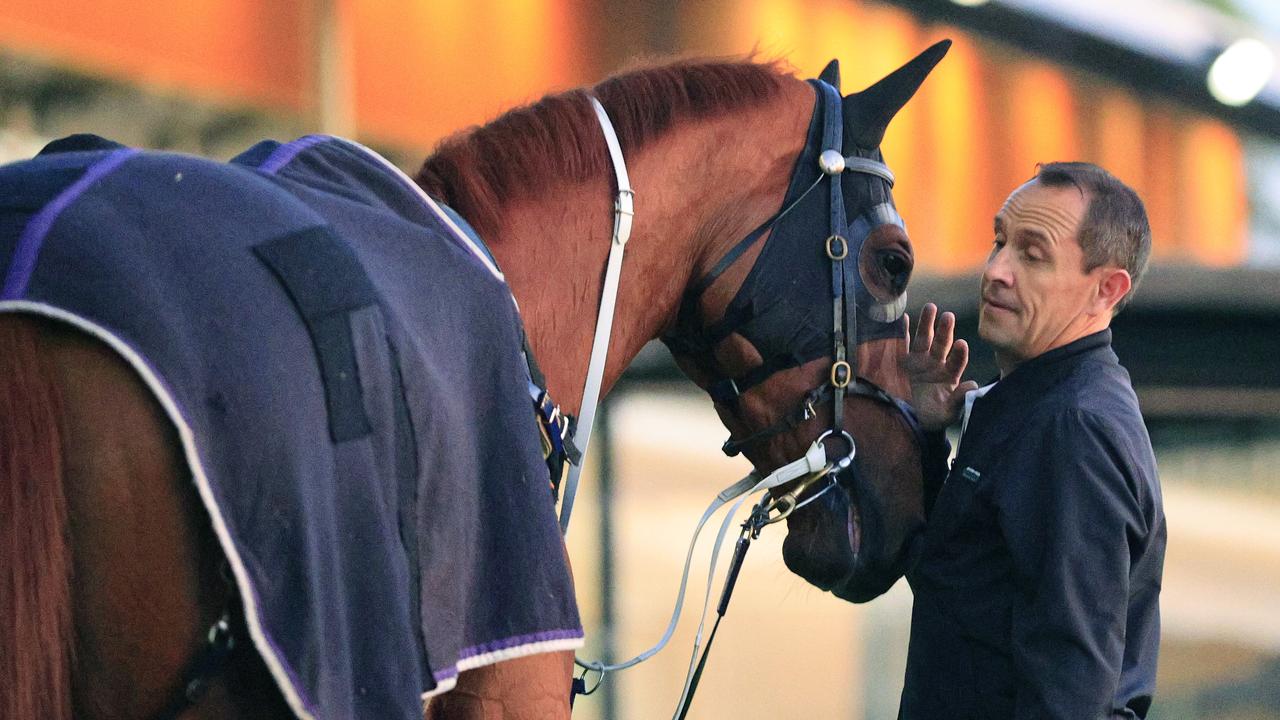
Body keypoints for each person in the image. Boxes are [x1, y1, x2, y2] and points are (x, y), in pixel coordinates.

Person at [898, 162, 1166, 719]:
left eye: (1032, 254)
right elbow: (953, 583)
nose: (996, 269)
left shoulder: (1073, 428)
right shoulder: (1037, 405)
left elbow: (1069, 693)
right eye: (999, 241)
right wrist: (926, 436)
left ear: (1105, 289)